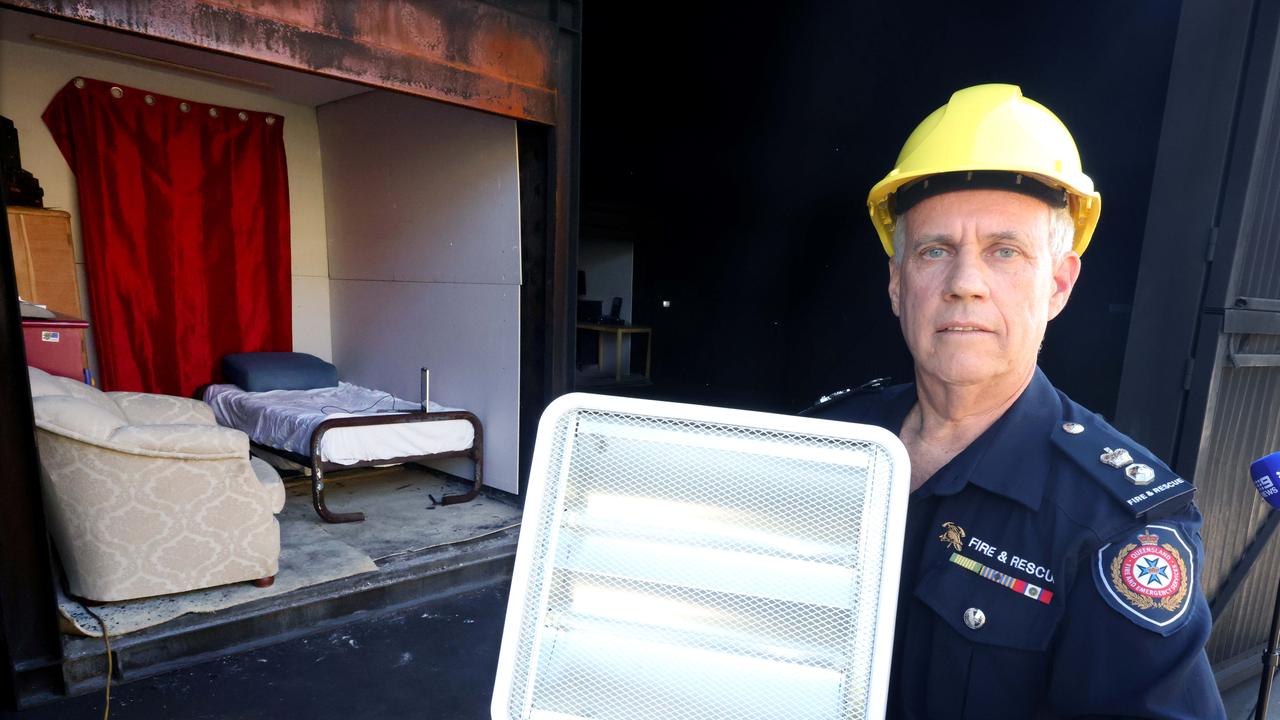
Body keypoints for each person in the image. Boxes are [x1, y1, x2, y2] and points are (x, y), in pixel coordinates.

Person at [807, 84, 1226, 718]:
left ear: (1058, 284)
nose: (964, 284)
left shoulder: (1119, 525)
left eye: (1005, 252)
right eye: (935, 251)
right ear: (898, 284)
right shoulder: (828, 445)